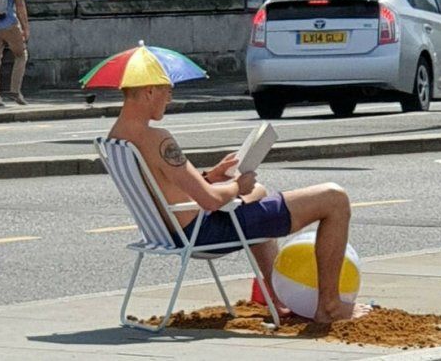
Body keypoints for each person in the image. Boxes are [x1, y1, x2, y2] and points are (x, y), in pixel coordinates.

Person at [108, 84, 372, 323]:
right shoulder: (157, 139)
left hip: (172, 233)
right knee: (335, 198)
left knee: (259, 194)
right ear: (150, 91)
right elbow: (209, 201)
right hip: (203, 234)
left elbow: (161, 186)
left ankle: (277, 300)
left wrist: (212, 176)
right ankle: (329, 306)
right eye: (168, 91)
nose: (169, 98)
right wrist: (237, 186)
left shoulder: (114, 139)